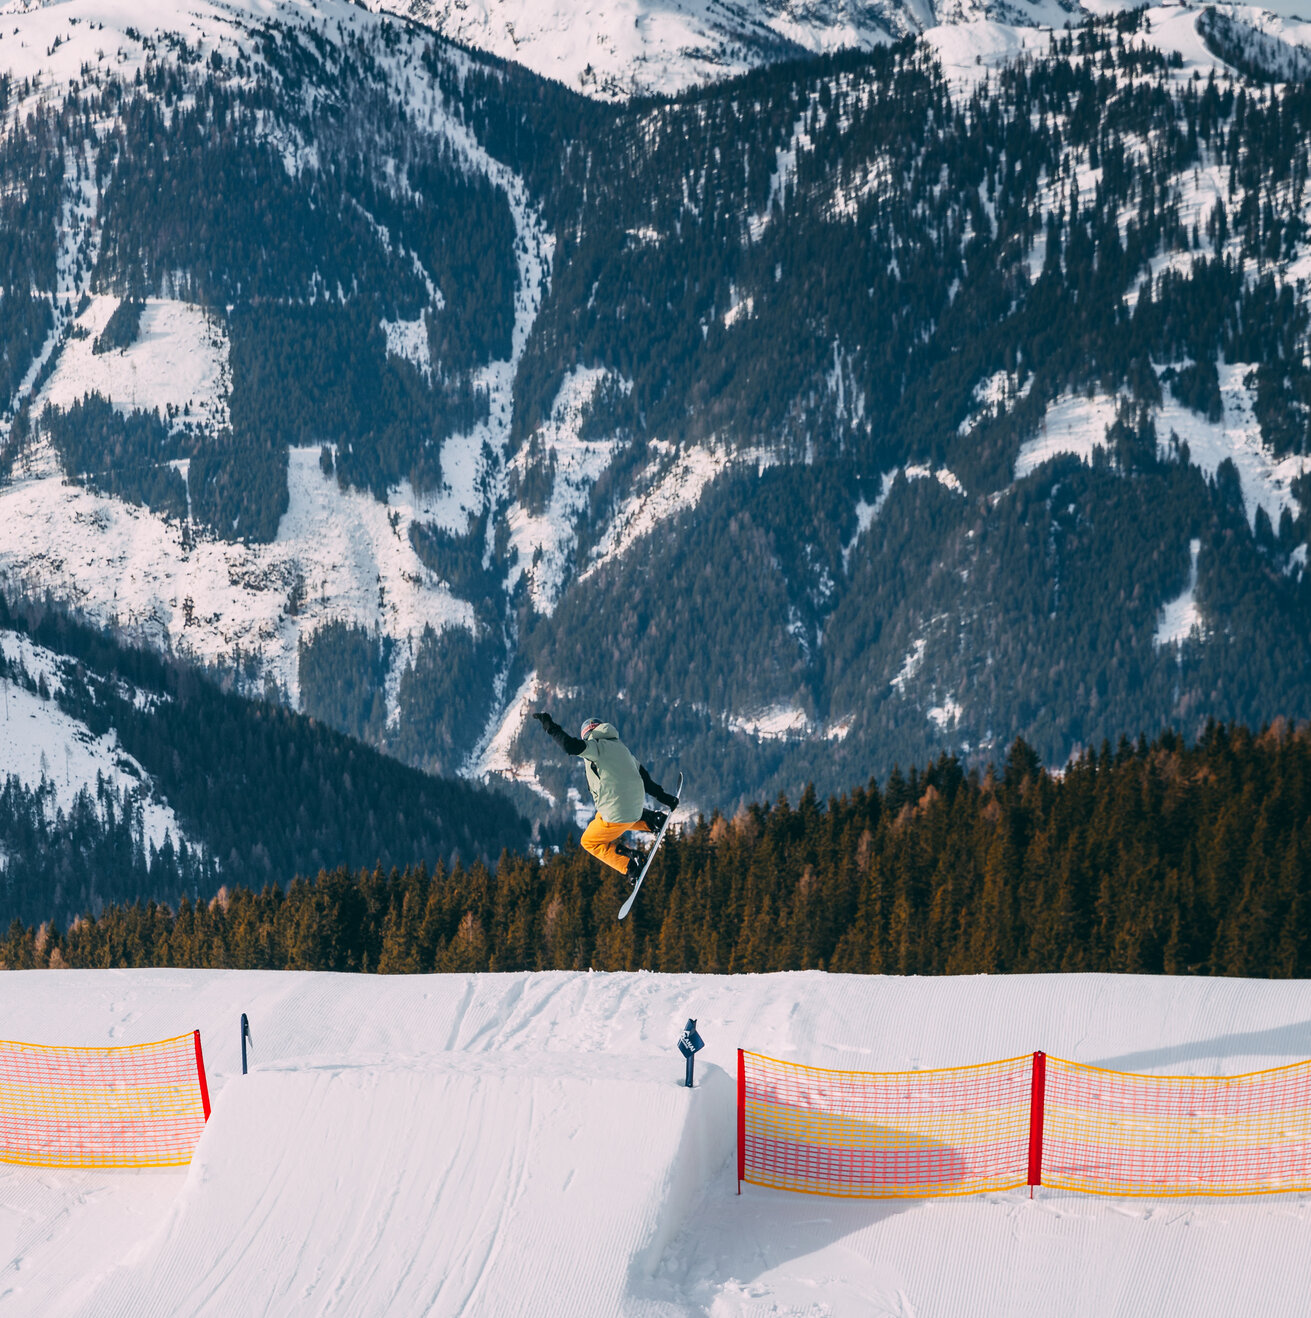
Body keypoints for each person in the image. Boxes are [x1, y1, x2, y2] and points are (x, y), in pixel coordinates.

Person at [532, 713, 679, 881]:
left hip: (618, 814)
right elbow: (646, 779)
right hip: (636, 807)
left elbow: (569, 746)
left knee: (589, 841)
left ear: (587, 735)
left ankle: (630, 865)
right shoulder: (622, 749)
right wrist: (666, 799)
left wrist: (550, 727)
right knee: (604, 816)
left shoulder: (595, 747)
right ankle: (653, 820)